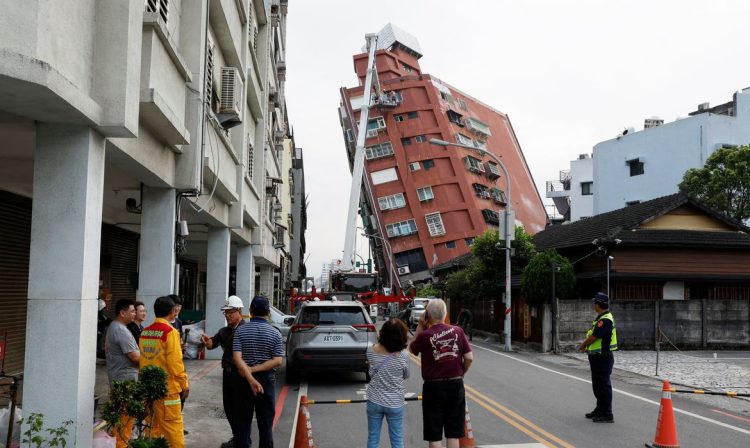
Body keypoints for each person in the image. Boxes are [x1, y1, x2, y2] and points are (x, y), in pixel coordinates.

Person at [409, 299, 473, 448]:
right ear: (445, 314)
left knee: (435, 433)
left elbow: (412, 349)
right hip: (455, 384)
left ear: (427, 316)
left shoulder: (425, 335)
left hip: (433, 387)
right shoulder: (458, 331)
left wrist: (419, 325)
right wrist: (461, 372)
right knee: (453, 433)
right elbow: (469, 357)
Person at [232, 296, 284, 448]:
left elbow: (237, 359)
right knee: (266, 423)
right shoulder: (275, 333)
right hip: (266, 381)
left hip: (243, 380)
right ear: (268, 312)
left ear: (250, 311)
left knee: (242, 422)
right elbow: (278, 360)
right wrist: (256, 371)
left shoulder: (240, 331)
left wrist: (249, 372)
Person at [139, 295, 189, 448]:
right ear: (173, 311)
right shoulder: (170, 332)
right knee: (173, 431)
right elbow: (175, 364)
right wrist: (184, 385)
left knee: (151, 428)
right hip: (168, 390)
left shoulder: (145, 332)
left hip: (149, 389)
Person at [201, 295, 248, 448]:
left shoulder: (246, 330)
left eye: (231, 312)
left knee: (240, 408)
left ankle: (243, 439)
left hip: (240, 374)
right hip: (227, 374)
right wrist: (206, 341)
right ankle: (238, 437)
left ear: (239, 311)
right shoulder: (224, 331)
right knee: (229, 407)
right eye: (226, 313)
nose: (228, 316)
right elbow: (210, 345)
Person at [366, 318, 410, 448]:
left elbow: (370, 372)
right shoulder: (404, 355)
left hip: (374, 401)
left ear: (382, 333)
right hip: (395, 403)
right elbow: (406, 375)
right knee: (397, 440)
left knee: (373, 438)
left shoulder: (371, 351)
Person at [105, 299, 140, 448]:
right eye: (132, 311)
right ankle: (121, 445)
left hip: (119, 377)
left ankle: (119, 443)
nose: (135, 314)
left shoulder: (115, 327)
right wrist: (153, 360)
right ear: (122, 312)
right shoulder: (120, 330)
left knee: (122, 415)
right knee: (126, 416)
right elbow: (134, 357)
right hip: (125, 378)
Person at [578, 292, 618, 423]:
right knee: (597, 385)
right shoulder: (601, 318)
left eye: (595, 302)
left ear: (599, 304)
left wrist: (583, 345)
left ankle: (607, 413)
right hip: (597, 357)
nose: (594, 305)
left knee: (603, 385)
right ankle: (600, 409)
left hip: (603, 357)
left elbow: (595, 336)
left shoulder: (605, 320)